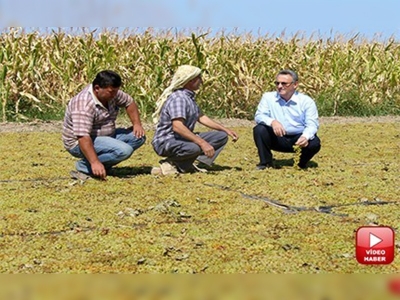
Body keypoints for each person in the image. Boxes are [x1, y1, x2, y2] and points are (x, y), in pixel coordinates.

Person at [151, 65, 239, 175]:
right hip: (167, 140)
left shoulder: (189, 98)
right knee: (194, 147)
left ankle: (184, 164)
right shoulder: (179, 99)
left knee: (220, 137)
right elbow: (177, 126)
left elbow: (202, 117)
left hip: (182, 139)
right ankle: (172, 163)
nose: (201, 82)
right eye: (199, 79)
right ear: (190, 81)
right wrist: (202, 143)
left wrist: (226, 130)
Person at [62, 70, 146, 180]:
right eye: (111, 92)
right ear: (97, 88)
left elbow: (129, 102)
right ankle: (85, 166)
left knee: (138, 137)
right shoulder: (83, 104)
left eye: (116, 91)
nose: (115, 95)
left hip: (106, 135)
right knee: (124, 150)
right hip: (79, 143)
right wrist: (95, 162)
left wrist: (137, 124)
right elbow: (83, 137)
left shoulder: (111, 93)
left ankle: (103, 165)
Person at [253, 69, 321, 170]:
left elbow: (312, 124)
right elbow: (259, 115)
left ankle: (300, 163)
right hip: (277, 137)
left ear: (295, 84)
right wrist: (273, 122)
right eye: (277, 83)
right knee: (259, 129)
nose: (280, 86)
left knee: (314, 142)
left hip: (298, 138)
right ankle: (266, 163)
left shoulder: (306, 101)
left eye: (284, 83)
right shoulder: (268, 97)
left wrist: (305, 137)